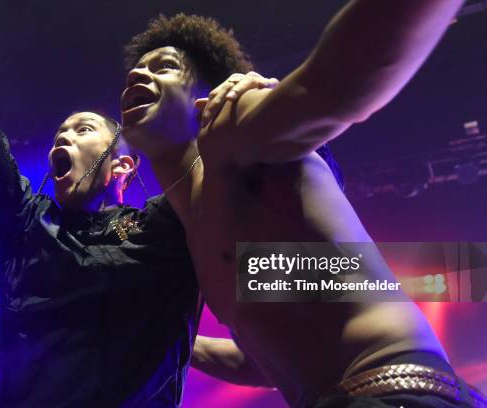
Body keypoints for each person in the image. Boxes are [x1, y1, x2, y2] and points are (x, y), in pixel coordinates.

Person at [121, 4, 486, 407]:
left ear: (203, 92)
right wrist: (174, 341)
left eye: (164, 66)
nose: (139, 74)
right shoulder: (197, 226)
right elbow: (268, 359)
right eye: (136, 70)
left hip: (398, 394)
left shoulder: (232, 128)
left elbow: (335, 86)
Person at [0, 1, 203, 406]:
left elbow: (256, 261)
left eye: (83, 129)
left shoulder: (166, 230)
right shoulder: (23, 226)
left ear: (123, 165)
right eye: (60, 133)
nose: (63, 138)